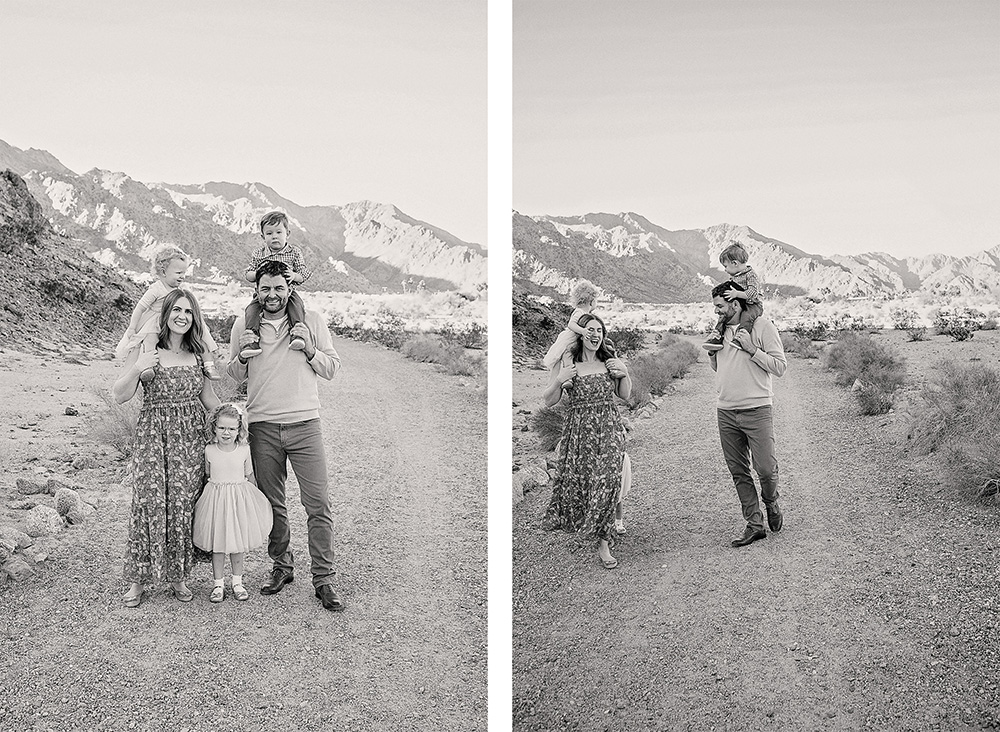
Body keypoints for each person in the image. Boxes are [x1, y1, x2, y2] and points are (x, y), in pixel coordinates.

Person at [228, 260, 346, 611]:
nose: (272, 295)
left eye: (279, 288)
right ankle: (282, 566)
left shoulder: (311, 321)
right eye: (266, 288)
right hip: (263, 426)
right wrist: (243, 356)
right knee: (272, 504)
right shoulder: (242, 324)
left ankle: (324, 579)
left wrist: (310, 349)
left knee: (318, 504)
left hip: (305, 424)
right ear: (257, 291)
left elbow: (332, 368)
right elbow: (232, 373)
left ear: (289, 289)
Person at [114, 289, 221, 607]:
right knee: (147, 504)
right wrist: (137, 367)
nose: (182, 316)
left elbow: (210, 400)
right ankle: (137, 580)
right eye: (176, 309)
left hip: (190, 441)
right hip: (153, 439)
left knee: (182, 506)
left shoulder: (199, 355)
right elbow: (120, 394)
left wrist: (234, 424)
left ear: (195, 318)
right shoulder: (150, 349)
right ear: (166, 313)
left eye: (189, 312)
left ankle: (177, 575)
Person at [541, 313, 632, 569]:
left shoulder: (609, 361)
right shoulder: (568, 363)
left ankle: (604, 541)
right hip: (579, 433)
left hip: (609, 429)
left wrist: (624, 374)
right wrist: (560, 379)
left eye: (599, 331)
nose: (595, 335)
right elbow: (548, 400)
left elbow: (624, 395)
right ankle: (589, 523)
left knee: (608, 480)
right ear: (581, 334)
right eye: (590, 330)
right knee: (586, 482)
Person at [707, 280, 787, 547]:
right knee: (739, 471)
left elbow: (779, 367)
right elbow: (722, 369)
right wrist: (712, 357)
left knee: (765, 469)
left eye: (720, 306)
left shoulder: (762, 326)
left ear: (735, 302)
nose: (716, 311)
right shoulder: (719, 330)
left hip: (758, 408)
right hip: (726, 411)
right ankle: (754, 524)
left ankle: (771, 502)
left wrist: (753, 350)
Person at [193, 403, 273, 603]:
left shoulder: (244, 450)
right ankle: (218, 584)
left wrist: (253, 503)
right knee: (218, 543)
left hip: (238, 500)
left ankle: (237, 582)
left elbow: (250, 476)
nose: (226, 433)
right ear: (214, 428)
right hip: (217, 500)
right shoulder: (209, 450)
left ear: (239, 430)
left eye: (231, 428)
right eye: (221, 428)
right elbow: (208, 475)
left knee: (237, 544)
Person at [116, 244, 224, 381]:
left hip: (173, 320)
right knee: (151, 339)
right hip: (156, 321)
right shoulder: (156, 289)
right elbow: (140, 308)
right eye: (179, 273)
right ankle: (148, 367)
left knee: (200, 334)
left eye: (184, 273)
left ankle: (209, 366)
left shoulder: (179, 291)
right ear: (163, 271)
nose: (182, 277)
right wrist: (132, 327)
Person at [240, 211, 311, 359]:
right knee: (251, 310)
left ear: (287, 233)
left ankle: (297, 334)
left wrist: (294, 276)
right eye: (269, 233)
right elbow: (248, 273)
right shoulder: (259, 254)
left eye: (279, 232)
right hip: (262, 294)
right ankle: (252, 340)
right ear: (263, 236)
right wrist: (257, 273)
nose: (274, 236)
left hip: (287, 293)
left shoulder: (294, 252)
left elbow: (304, 273)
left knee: (297, 306)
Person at [704, 242, 764, 352]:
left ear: (735, 263)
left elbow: (752, 293)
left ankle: (741, 339)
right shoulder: (734, 277)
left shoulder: (751, 275)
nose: (725, 270)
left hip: (753, 305)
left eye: (726, 266)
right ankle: (717, 337)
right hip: (742, 303)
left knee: (746, 317)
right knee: (723, 316)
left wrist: (736, 294)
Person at [542, 280, 599, 371]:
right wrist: (582, 331)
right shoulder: (579, 311)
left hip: (578, 338)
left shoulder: (587, 314)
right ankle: (568, 373)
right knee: (567, 354)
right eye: (596, 300)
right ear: (591, 302)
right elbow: (571, 324)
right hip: (571, 338)